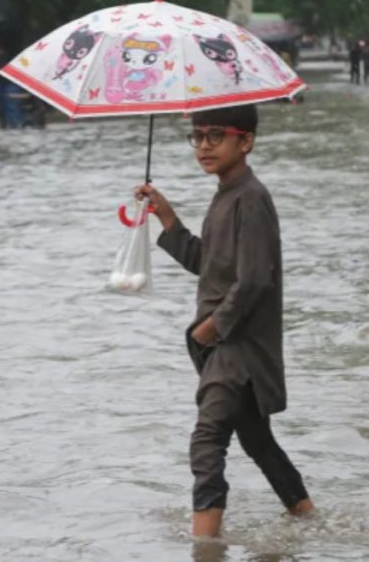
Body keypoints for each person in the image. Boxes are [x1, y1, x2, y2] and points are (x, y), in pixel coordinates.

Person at [135, 104, 314, 539]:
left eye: (216, 136)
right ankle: (309, 520)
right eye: (197, 137)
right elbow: (212, 265)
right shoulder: (226, 196)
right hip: (227, 346)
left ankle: (205, 548)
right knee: (258, 444)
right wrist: (168, 218)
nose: (204, 147)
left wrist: (211, 328)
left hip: (238, 348)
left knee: (207, 441)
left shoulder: (251, 198)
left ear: (246, 141)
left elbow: (254, 280)